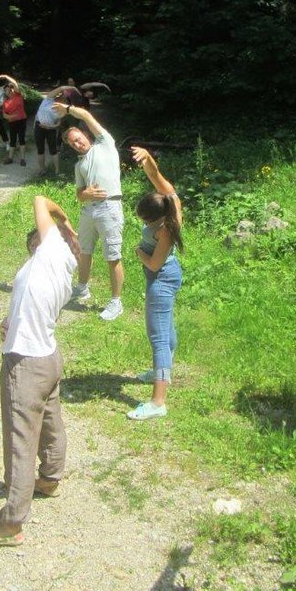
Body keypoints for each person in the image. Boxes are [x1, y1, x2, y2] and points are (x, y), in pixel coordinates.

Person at [0, 196, 79, 547]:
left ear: (50, 239)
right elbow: (28, 304)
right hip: (47, 354)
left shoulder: (51, 252)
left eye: (38, 236)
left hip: (27, 363)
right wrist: (9, 322)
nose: (33, 240)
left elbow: (39, 200)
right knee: (50, 420)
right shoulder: (55, 266)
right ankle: (49, 478)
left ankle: (12, 522)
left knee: (20, 439)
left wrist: (65, 221)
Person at [127, 147, 184, 421]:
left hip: (161, 279)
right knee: (166, 327)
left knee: (158, 338)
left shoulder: (165, 230)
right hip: (167, 275)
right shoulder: (171, 201)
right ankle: (164, 370)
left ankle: (158, 401)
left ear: (155, 219)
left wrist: (138, 252)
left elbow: (153, 264)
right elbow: (155, 175)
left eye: (144, 220)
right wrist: (147, 156)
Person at [54, 101, 125, 321]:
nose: (77, 143)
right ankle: (82, 288)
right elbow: (79, 194)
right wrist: (87, 194)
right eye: (72, 143)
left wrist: (66, 110)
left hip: (109, 208)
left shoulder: (105, 144)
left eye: (78, 138)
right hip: (88, 211)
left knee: (112, 256)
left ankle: (116, 302)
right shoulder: (79, 166)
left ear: (85, 135)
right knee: (84, 251)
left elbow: (85, 114)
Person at [33, 87, 68, 176]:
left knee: (53, 150)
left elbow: (58, 124)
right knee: (40, 150)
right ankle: (42, 169)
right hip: (39, 127)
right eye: (62, 96)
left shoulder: (62, 111)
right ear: (58, 96)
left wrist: (49, 127)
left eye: (65, 98)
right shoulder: (48, 100)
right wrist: (70, 88)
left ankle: (57, 171)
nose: (62, 99)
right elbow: (60, 88)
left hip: (50, 129)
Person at [1, 82, 28, 166]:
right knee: (12, 140)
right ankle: (10, 158)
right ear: (5, 92)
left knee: (21, 139)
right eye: (6, 90)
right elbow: (4, 114)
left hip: (22, 120)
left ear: (12, 89)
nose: (8, 91)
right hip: (12, 122)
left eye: (9, 89)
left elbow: (15, 85)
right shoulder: (5, 102)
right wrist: (10, 117)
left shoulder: (18, 95)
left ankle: (22, 159)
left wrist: (6, 77)